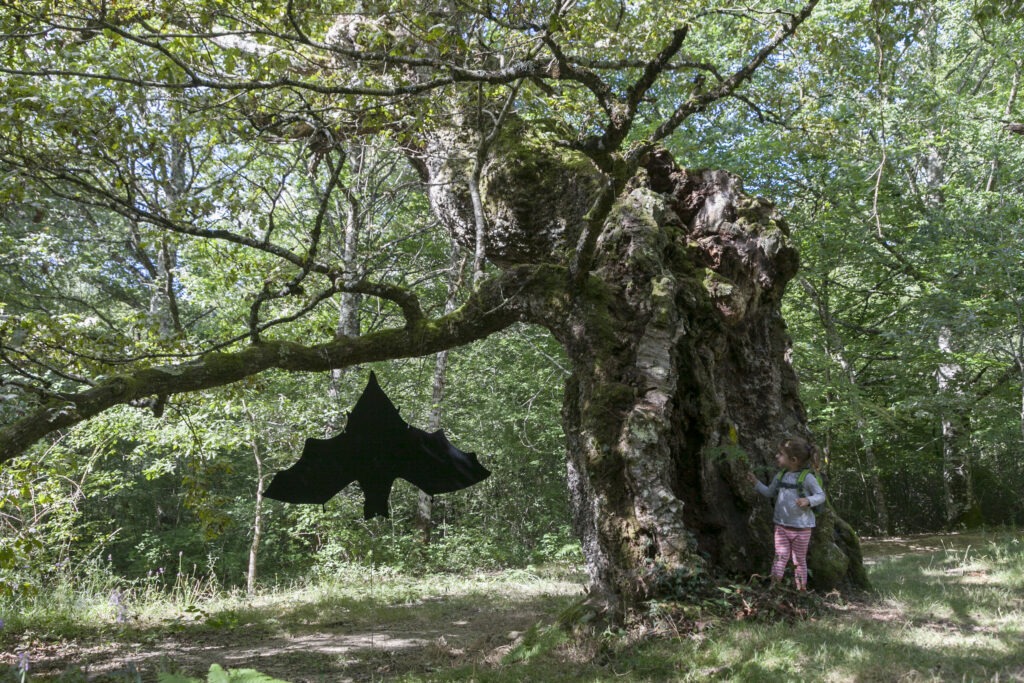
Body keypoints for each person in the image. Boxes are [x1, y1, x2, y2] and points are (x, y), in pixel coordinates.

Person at [747, 437, 825, 590]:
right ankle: (774, 588)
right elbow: (769, 492)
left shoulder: (807, 478)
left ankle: (801, 590)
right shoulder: (780, 475)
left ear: (794, 460)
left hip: (802, 529)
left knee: (799, 560)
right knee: (780, 558)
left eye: (781, 454)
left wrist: (808, 500)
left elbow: (821, 495)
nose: (777, 456)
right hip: (781, 526)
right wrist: (755, 483)